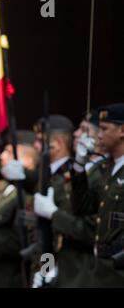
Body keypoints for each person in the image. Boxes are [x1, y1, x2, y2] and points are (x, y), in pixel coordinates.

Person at [32, 115, 96, 287]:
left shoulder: (71, 176)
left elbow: (55, 234)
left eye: (41, 140)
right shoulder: (45, 174)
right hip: (45, 259)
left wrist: (48, 267)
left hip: (68, 266)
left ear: (58, 144)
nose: (35, 146)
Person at [72, 103, 124, 287]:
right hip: (99, 267)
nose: (99, 135)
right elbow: (82, 207)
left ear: (122, 131)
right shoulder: (105, 167)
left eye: (104, 129)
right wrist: (78, 166)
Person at [0, 130, 38, 288]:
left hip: (12, 276)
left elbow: (20, 242)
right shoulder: (5, 189)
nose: (2, 156)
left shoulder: (27, 196)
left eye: (9, 152)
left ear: (26, 160)